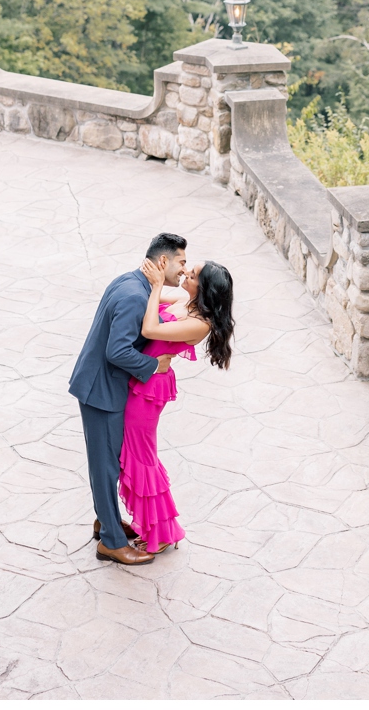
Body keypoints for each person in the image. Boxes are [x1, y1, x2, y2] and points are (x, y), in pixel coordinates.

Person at [69, 233, 186, 565]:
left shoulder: (130, 281)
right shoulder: (136, 297)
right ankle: (110, 542)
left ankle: (105, 521)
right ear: (163, 262)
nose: (182, 269)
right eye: (181, 262)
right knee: (106, 468)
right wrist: (155, 364)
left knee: (108, 463)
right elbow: (117, 350)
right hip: (102, 391)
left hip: (97, 383)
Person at [120, 257, 237, 554]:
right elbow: (149, 294)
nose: (186, 272)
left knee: (141, 457)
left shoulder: (198, 324)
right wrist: (159, 277)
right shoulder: (185, 301)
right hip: (145, 376)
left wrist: (158, 285)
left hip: (149, 389)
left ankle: (158, 533)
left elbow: (150, 330)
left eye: (193, 273)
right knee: (138, 453)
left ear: (204, 287)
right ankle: (149, 523)